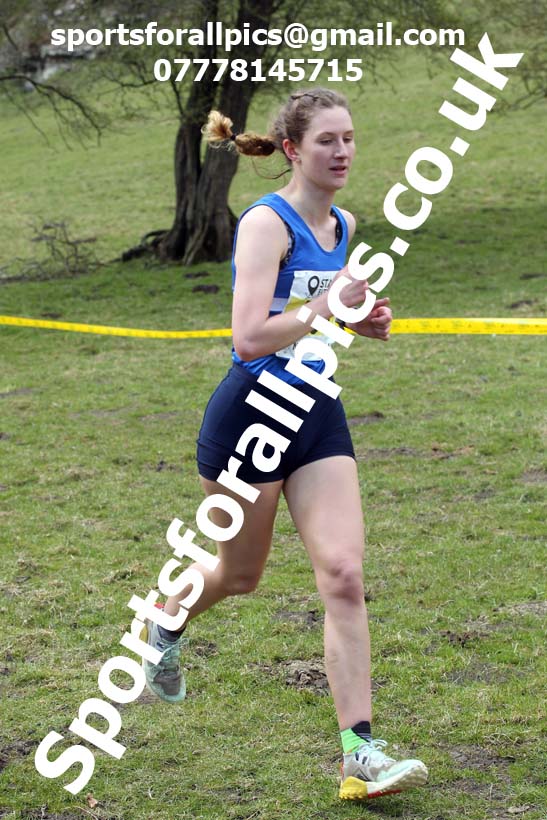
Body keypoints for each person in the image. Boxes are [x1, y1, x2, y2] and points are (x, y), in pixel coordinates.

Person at [142, 88, 428, 801]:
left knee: (343, 574)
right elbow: (247, 337)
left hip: (313, 411)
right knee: (241, 576)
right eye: (328, 140)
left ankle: (359, 754)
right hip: (248, 421)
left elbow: (311, 322)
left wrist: (354, 324)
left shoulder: (344, 225)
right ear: (294, 149)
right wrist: (325, 307)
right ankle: (167, 614)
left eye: (351, 138)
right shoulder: (266, 224)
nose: (343, 152)